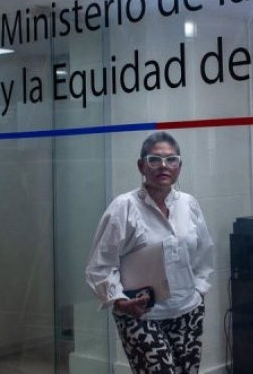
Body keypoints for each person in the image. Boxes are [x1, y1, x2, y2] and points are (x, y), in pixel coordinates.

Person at [86, 131, 214, 374]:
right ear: (141, 166)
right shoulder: (123, 206)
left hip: (188, 312)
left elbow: (204, 254)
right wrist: (120, 301)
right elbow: (100, 266)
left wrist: (198, 291)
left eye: (171, 159)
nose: (163, 166)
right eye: (154, 159)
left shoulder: (189, 203)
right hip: (141, 315)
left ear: (179, 166)